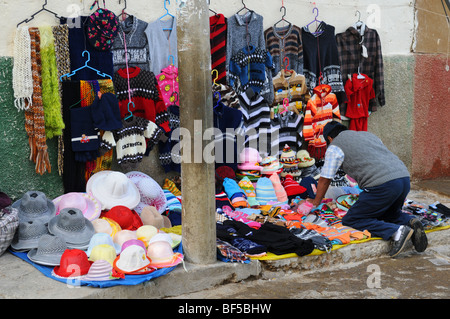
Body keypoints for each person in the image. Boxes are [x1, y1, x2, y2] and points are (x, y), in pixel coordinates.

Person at [306, 121, 427, 257]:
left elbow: (325, 178)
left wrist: (316, 202)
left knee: (353, 219)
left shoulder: (335, 146)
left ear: (329, 138)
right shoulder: (368, 136)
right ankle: (410, 221)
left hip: (383, 185)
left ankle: (397, 231)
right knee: (386, 213)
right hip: (403, 179)